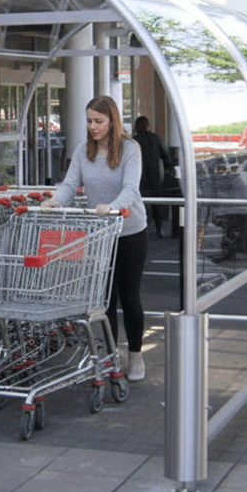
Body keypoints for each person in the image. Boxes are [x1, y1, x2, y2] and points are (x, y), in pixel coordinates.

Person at [46, 95, 150, 381]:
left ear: (112, 122)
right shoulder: (83, 151)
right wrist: (55, 202)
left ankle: (135, 355)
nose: (92, 127)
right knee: (105, 301)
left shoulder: (130, 149)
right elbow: (70, 184)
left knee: (129, 297)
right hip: (101, 234)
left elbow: (131, 187)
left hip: (129, 231)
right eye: (89, 121)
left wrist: (113, 207)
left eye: (99, 121)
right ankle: (111, 356)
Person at [133, 116, 174, 238]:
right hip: (155, 176)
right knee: (156, 203)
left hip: (139, 176)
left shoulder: (134, 141)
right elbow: (165, 157)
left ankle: (141, 229)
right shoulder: (156, 139)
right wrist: (168, 169)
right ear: (148, 125)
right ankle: (159, 227)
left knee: (140, 204)